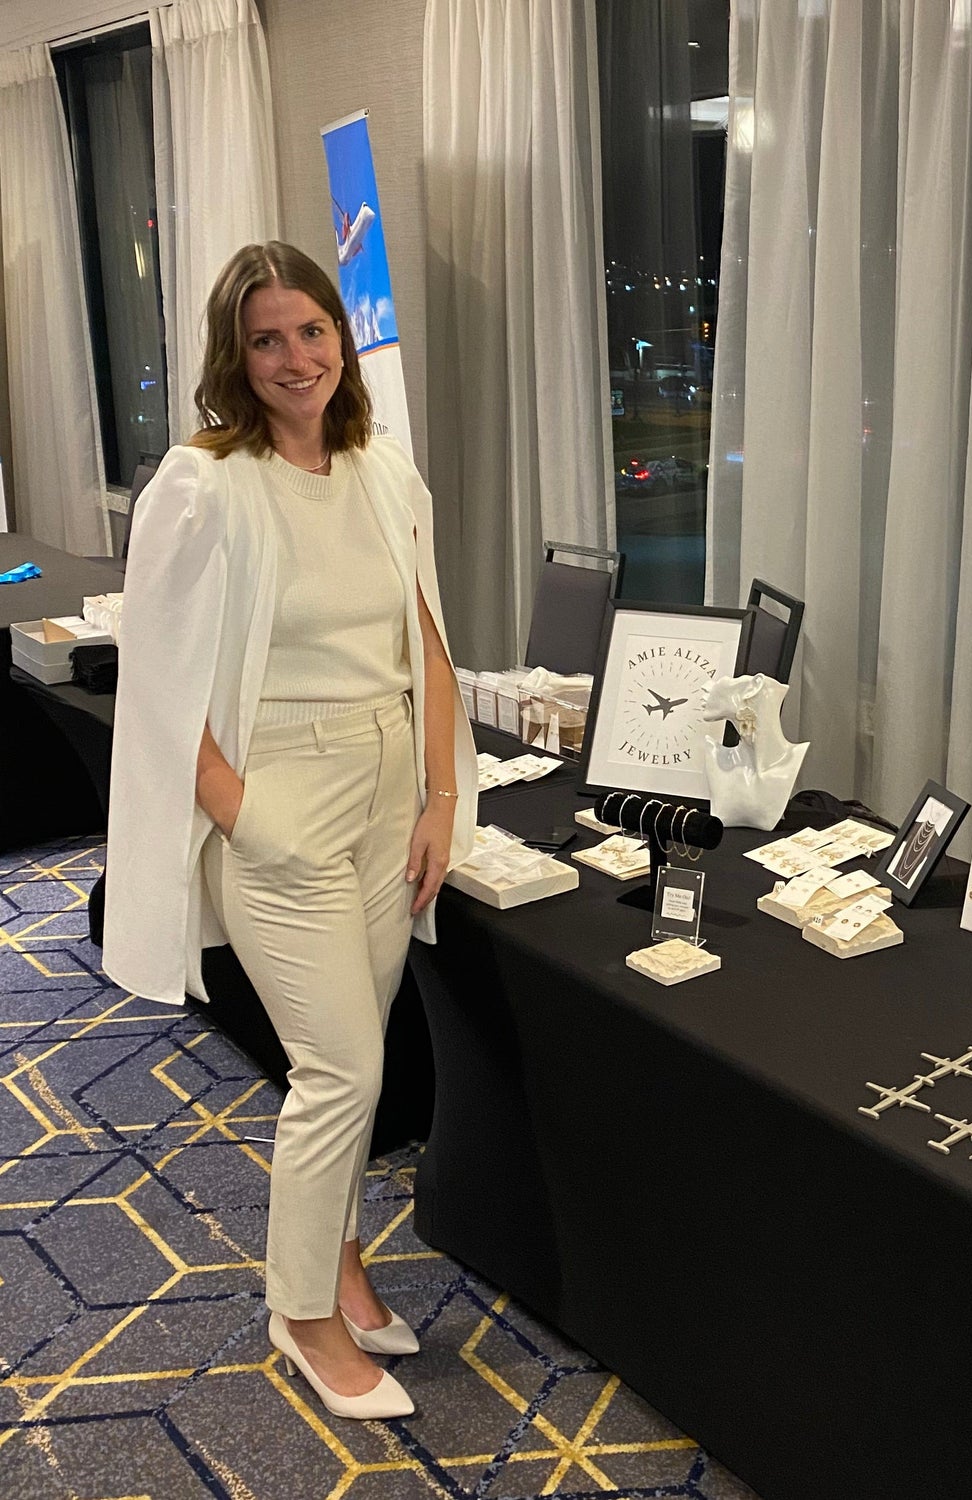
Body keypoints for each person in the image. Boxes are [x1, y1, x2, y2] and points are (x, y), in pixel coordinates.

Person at [103, 242, 477, 1420]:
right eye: (265, 339)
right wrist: (242, 817)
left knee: (355, 1050)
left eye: (310, 331)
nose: (293, 358)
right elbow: (157, 683)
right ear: (236, 354)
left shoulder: (378, 468)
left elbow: (427, 638)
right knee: (340, 1066)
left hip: (384, 788)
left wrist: (439, 797)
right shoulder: (206, 485)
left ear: (339, 337)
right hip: (282, 799)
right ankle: (302, 1313)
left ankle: (337, 1262)